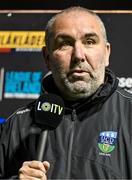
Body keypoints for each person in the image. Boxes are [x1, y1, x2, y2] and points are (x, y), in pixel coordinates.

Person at [0, 6, 132, 179]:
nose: (78, 55)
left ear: (107, 53)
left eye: (89, 42)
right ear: (47, 57)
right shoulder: (16, 125)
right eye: (65, 44)